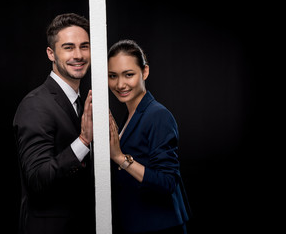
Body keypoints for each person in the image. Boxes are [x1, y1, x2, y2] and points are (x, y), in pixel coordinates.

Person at [13, 13, 95, 234]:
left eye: (84, 46)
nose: (78, 55)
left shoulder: (84, 101)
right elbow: (37, 179)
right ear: (51, 53)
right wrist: (83, 141)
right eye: (68, 47)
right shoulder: (35, 105)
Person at [108, 39, 191, 234]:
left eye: (129, 75)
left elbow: (168, 181)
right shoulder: (130, 114)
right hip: (140, 223)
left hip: (161, 226)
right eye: (113, 76)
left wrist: (120, 158)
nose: (120, 84)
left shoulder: (158, 115)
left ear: (144, 72)